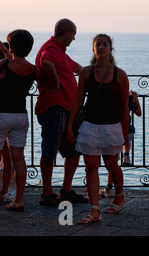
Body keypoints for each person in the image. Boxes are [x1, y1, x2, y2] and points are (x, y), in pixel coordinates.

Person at [66, 34, 129, 224]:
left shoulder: (120, 75)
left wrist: (124, 132)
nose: (101, 47)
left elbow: (125, 105)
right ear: (93, 49)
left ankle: (119, 195)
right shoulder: (86, 72)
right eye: (98, 45)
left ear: (111, 49)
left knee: (112, 165)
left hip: (111, 127)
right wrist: (70, 126)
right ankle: (95, 210)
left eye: (105, 45)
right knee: (90, 167)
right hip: (90, 126)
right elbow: (78, 100)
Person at [35, 18, 88, 206]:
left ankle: (66, 190)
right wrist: (56, 81)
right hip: (54, 107)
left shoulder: (61, 53)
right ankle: (47, 193)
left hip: (68, 109)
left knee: (74, 149)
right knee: (50, 149)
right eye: (73, 35)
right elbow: (45, 62)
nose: (73, 39)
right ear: (67, 34)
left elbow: (80, 69)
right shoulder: (50, 49)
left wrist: (99, 76)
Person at [0, 30, 36, 212]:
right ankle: (19, 200)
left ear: (12, 46)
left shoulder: (2, 64)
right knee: (19, 159)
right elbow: (16, 63)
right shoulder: (32, 69)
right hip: (21, 116)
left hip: (0, 116)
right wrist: (6, 50)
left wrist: (3, 51)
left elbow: (8, 65)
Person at [100, 90, 141, 198]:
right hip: (127, 132)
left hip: (112, 131)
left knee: (112, 162)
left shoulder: (106, 97)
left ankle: (109, 188)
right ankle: (126, 154)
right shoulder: (126, 97)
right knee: (127, 140)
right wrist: (135, 97)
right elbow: (139, 113)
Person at [0, 41, 13, 202]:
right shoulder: (15, 73)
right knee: (8, 156)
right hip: (13, 116)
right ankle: (4, 189)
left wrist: (4, 52)